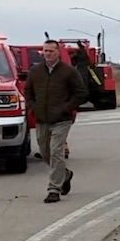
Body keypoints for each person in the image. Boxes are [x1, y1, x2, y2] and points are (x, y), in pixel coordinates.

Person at [25, 38, 87, 202]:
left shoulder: (68, 72)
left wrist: (65, 108)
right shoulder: (35, 71)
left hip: (62, 120)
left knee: (56, 152)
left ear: (58, 52)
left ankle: (54, 189)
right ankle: (65, 175)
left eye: (51, 51)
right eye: (45, 51)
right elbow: (28, 92)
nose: (48, 54)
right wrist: (33, 107)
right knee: (45, 153)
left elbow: (81, 93)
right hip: (42, 119)